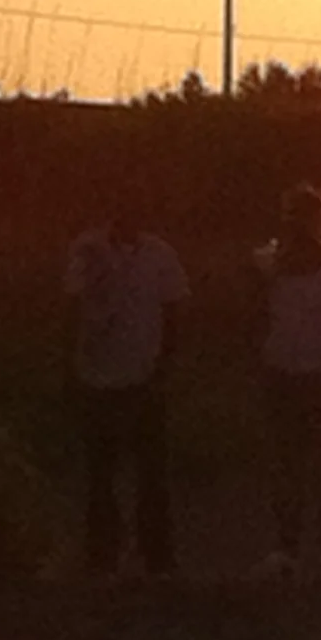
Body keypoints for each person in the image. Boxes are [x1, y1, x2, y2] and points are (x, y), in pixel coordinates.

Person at [64, 197, 191, 577]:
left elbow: (174, 311)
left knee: (150, 472)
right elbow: (72, 301)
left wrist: (164, 367)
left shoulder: (160, 254)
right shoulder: (87, 249)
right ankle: (102, 555)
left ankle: (156, 556)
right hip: (98, 374)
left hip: (143, 376)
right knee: (102, 472)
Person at [255, 182, 321, 579]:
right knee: (287, 464)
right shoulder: (268, 266)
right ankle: (287, 549)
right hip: (281, 372)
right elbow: (257, 317)